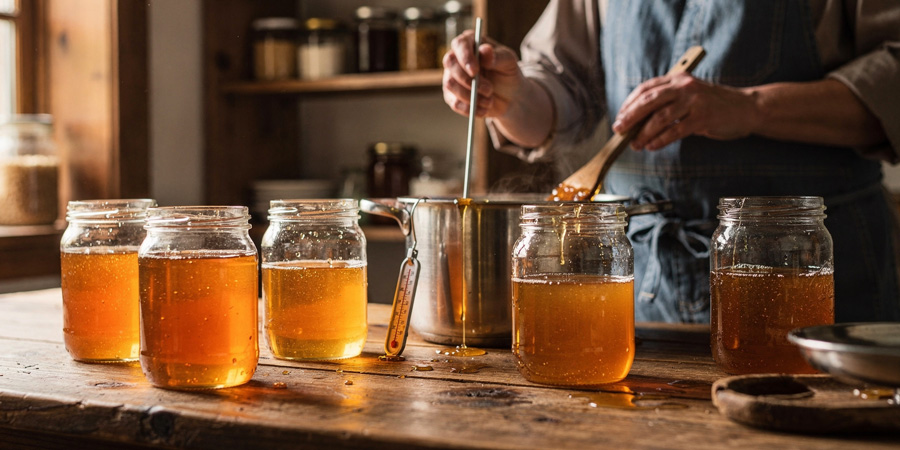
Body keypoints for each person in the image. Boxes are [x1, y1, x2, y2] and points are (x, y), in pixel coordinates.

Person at [441, 0, 900, 323]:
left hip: (808, 267)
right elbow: (559, 94)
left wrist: (750, 107)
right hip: (645, 278)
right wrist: (511, 99)